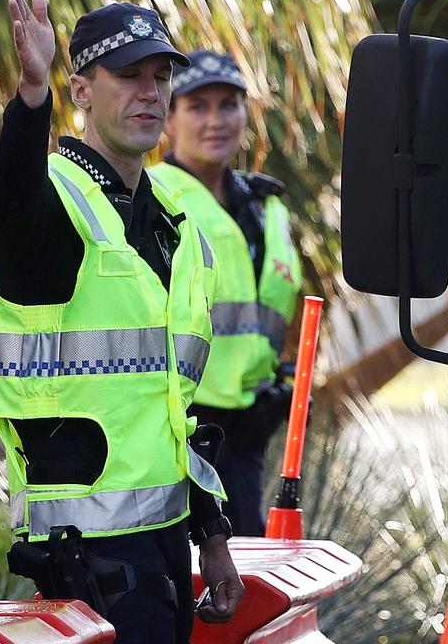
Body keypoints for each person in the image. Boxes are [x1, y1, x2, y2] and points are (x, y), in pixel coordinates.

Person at [0, 0, 243, 643]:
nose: (149, 92)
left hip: (165, 552)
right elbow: (10, 205)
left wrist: (210, 533)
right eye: (128, 76)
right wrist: (29, 99)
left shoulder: (174, 227)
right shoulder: (52, 209)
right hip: (86, 561)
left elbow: (169, 407)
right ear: (82, 90)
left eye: (159, 76)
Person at [149, 50, 303, 537]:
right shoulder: (149, 199)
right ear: (169, 118)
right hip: (176, 432)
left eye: (228, 105)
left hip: (248, 430)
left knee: (249, 577)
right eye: (198, 106)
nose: (216, 120)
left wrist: (280, 381)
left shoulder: (265, 207)